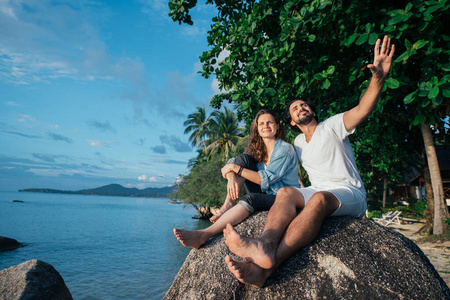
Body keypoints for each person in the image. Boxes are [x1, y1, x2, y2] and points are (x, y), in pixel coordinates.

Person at [223, 35, 395, 288]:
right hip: (317, 188)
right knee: (286, 193)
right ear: (292, 122)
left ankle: (270, 266)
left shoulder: (334, 125)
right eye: (295, 108)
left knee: (318, 199)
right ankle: (266, 244)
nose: (301, 108)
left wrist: (378, 78)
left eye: (304, 105)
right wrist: (233, 170)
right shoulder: (298, 144)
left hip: (349, 192)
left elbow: (363, 109)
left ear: (313, 112)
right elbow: (292, 176)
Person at [173, 109, 300, 249]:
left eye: (270, 122)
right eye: (261, 123)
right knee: (243, 159)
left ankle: (204, 234)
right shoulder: (258, 149)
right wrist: (232, 176)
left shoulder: (285, 149)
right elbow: (231, 164)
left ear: (277, 125)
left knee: (251, 197)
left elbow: (264, 180)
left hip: (282, 197)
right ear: (257, 129)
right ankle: (228, 205)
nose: (266, 126)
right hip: (264, 193)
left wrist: (235, 169)